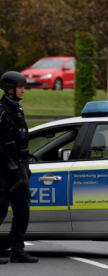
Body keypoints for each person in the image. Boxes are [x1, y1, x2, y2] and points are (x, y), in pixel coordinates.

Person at [0, 71, 38, 264]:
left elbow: (22, 143)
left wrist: (24, 167)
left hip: (19, 171)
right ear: (9, 89)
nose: (24, 90)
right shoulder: (1, 113)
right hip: (3, 172)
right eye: (21, 87)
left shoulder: (18, 110)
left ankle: (17, 251)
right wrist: (11, 166)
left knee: (22, 210)